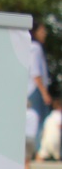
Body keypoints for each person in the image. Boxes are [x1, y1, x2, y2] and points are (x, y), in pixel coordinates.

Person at [30, 24, 51, 157]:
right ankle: (37, 152)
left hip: (33, 90)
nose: (45, 34)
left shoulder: (31, 47)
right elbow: (35, 73)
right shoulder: (35, 48)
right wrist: (44, 93)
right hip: (35, 90)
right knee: (38, 122)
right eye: (42, 31)